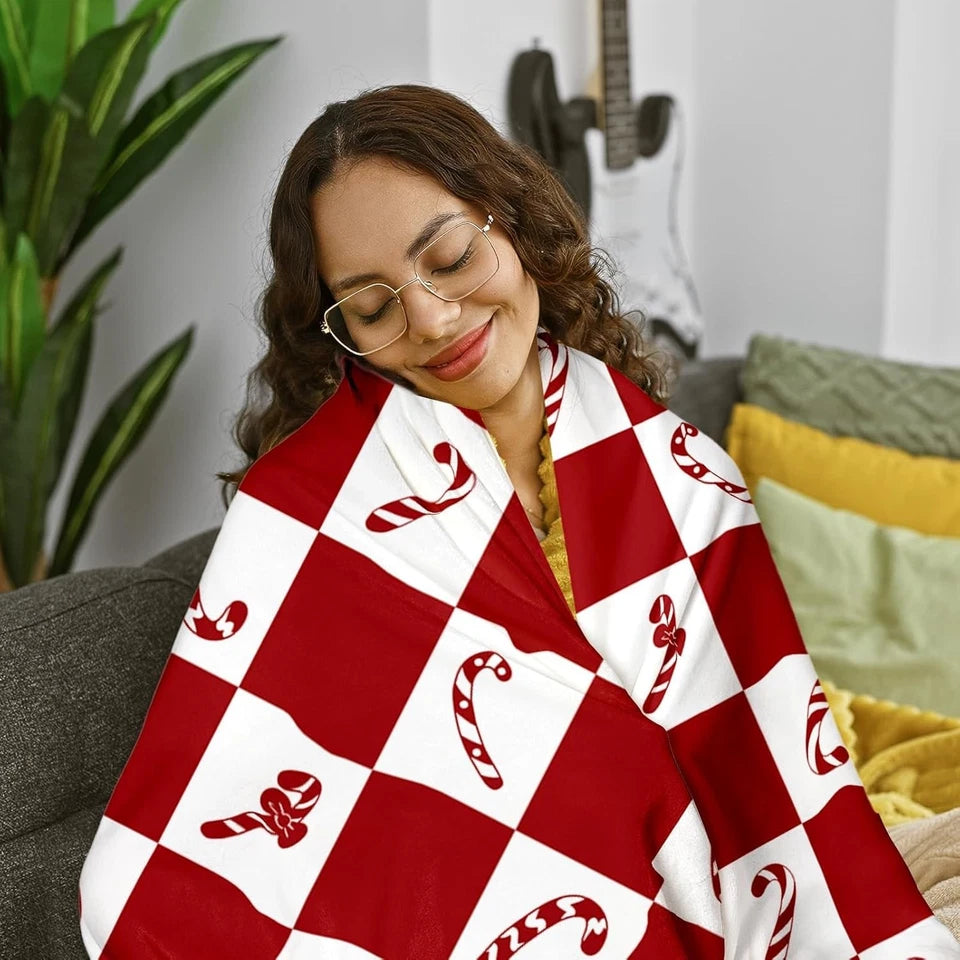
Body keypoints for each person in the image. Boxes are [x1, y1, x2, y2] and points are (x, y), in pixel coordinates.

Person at [77, 84, 960, 958]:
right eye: (374, 308)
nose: (431, 318)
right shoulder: (304, 517)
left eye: (451, 256)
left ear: (512, 217)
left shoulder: (684, 476)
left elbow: (761, 753)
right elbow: (220, 818)